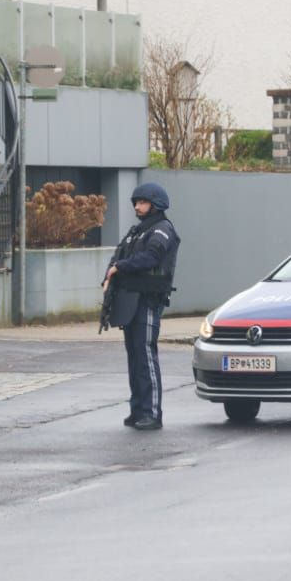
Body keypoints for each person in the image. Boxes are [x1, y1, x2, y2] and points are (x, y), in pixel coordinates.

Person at [103, 182, 180, 430]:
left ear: (156, 204)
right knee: (134, 357)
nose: (137, 206)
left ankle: (151, 413)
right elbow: (119, 256)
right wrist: (109, 275)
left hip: (147, 299)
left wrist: (120, 267)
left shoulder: (162, 230)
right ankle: (137, 409)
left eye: (143, 202)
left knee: (145, 355)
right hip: (129, 299)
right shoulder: (136, 231)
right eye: (136, 202)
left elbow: (151, 257)